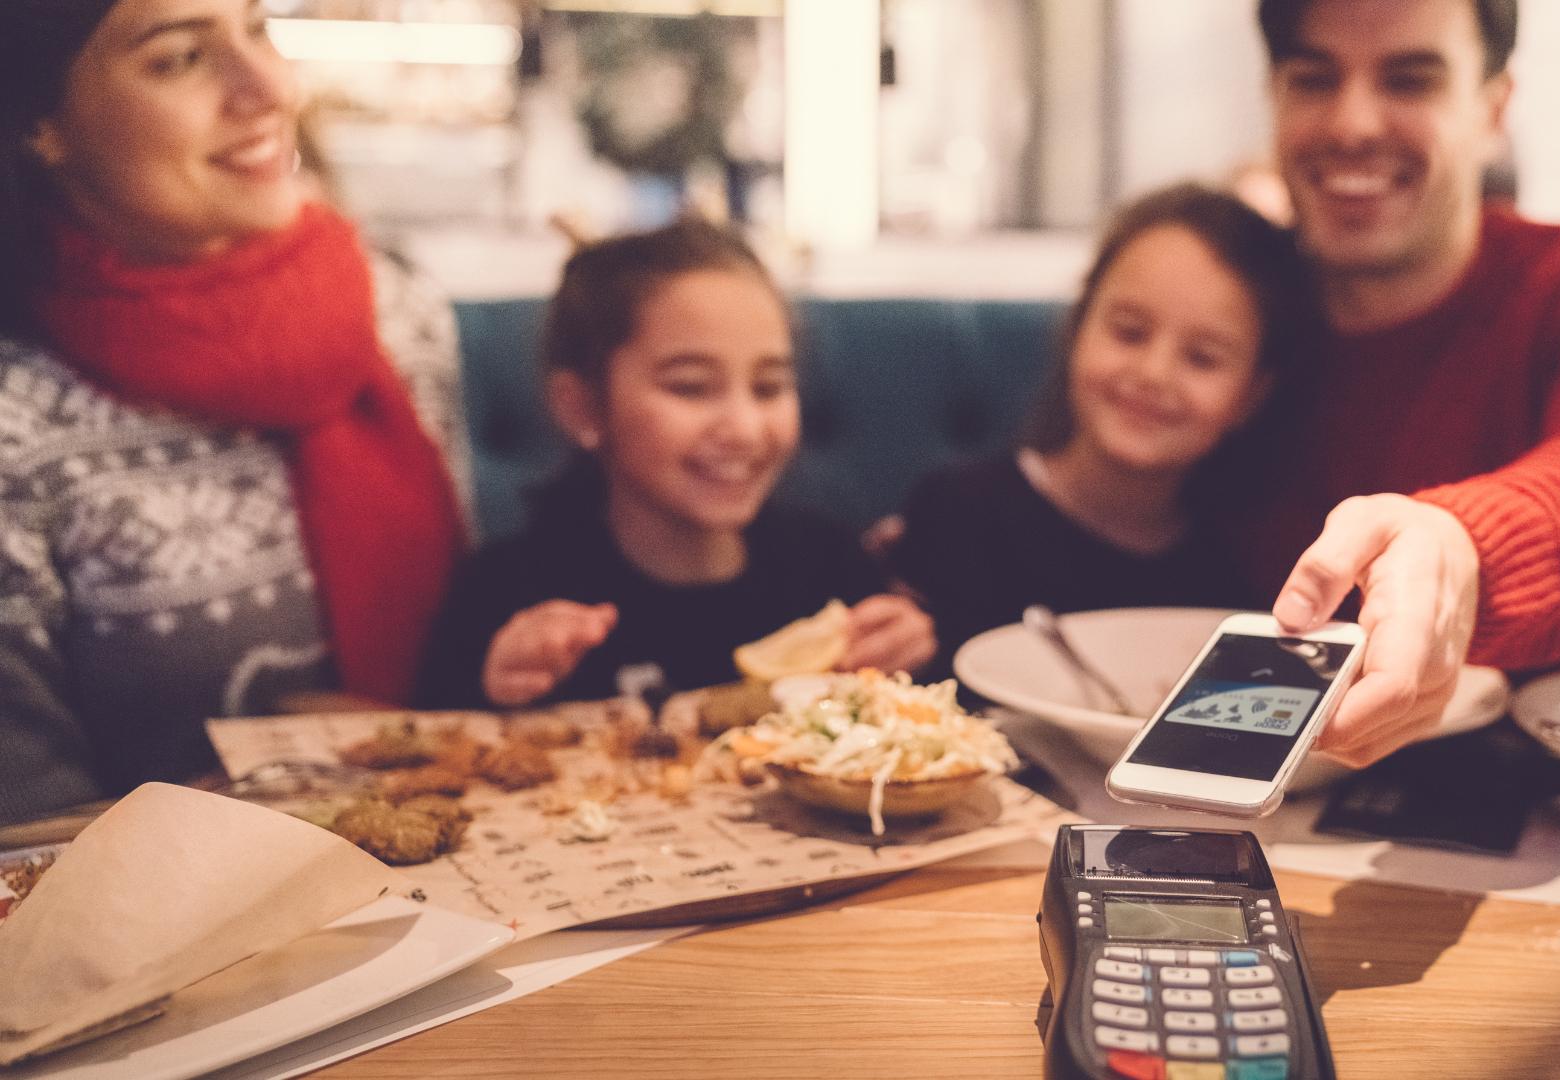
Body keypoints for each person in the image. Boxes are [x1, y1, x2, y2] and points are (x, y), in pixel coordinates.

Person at [0, 0, 470, 825]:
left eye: (257, 27)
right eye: (179, 57)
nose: (269, 87)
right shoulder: (17, 418)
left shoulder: (397, 311)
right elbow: (20, 835)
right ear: (43, 123)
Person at [1246, 0, 1560, 765]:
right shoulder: (1229, 315)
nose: (1353, 124)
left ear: (1493, 106)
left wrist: (1461, 549)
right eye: (1315, 79)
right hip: (1270, 814)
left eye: (1410, 80)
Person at [415, 219, 936, 708]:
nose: (745, 428)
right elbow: (420, 748)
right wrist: (494, 690)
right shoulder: (508, 589)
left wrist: (908, 647)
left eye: (769, 387)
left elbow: (917, 728)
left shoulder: (830, 567)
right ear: (582, 407)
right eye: (690, 387)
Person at [884, 184, 1319, 672]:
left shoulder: (1235, 570)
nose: (1154, 373)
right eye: (1129, 332)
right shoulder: (958, 510)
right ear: (1078, 326)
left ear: (1251, 396)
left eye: (1202, 358)